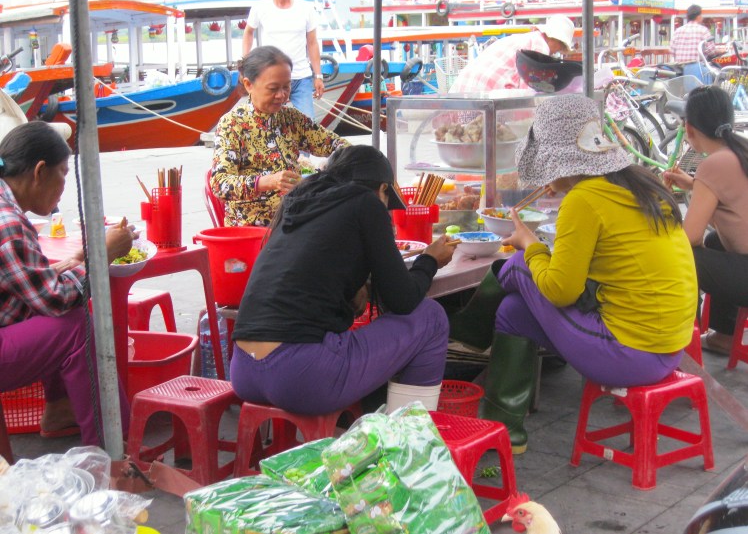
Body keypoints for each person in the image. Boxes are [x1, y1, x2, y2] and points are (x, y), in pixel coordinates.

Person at [449, 95, 697, 454]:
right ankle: (505, 430)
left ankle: (464, 332)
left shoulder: (584, 199)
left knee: (519, 266)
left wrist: (528, 243)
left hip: (630, 353)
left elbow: (561, 291)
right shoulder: (641, 183)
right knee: (513, 312)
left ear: (563, 161)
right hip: (669, 347)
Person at [229, 145, 458, 415]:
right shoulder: (366, 202)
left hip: (243, 371)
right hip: (298, 376)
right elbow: (404, 300)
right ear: (383, 189)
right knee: (430, 316)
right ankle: (407, 437)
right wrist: (430, 260)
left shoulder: (298, 203)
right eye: (386, 199)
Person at [0, 121, 134, 446]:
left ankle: (60, 412)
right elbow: (55, 300)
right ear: (40, 171)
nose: (63, 184)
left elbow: (33, 285)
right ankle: (114, 446)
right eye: (62, 172)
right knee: (75, 324)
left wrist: (74, 264)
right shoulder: (8, 222)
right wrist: (98, 258)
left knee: (61, 309)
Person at [211, 46, 349, 227]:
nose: (282, 95)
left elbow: (337, 145)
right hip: (251, 228)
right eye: (273, 88)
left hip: (295, 218)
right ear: (248, 84)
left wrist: (331, 168)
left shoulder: (291, 118)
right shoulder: (232, 124)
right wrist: (266, 182)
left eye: (287, 86)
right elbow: (220, 184)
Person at [663, 86, 748, 354]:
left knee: (684, 256)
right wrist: (693, 185)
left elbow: (689, 238)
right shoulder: (741, 148)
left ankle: (686, 348)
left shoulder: (712, 165)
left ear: (688, 129)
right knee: (714, 241)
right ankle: (723, 336)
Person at [242, 0, 324, 120]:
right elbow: (248, 33)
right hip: (270, 77)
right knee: (267, 121)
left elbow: (312, 43)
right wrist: (245, 63)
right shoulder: (260, 7)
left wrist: (318, 76)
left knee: (308, 124)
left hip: (300, 77)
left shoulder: (306, 8)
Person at [449, 15, 575, 94]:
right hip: (486, 93)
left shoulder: (524, 39)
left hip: (463, 90)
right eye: (561, 47)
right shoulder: (539, 45)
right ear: (556, 40)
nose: (558, 51)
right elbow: (530, 90)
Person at [670, 4, 718, 83]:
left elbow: (672, 51)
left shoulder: (678, 31)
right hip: (696, 70)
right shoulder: (703, 30)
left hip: (679, 70)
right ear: (698, 16)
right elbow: (711, 51)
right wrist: (721, 51)